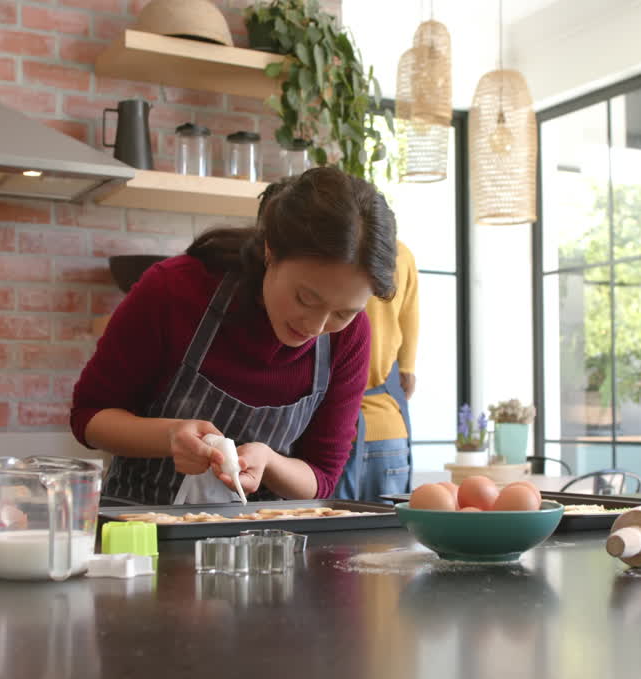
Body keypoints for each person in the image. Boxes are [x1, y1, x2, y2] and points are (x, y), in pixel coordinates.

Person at [70, 167, 398, 504]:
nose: (316, 327)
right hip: (140, 536)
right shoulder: (175, 290)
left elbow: (323, 477)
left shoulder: (351, 338)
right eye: (306, 298)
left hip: (265, 547)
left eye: (343, 313)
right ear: (271, 250)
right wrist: (169, 435)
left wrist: (269, 462)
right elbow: (89, 416)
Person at [334, 240, 419, 502]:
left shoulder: (327, 250)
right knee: (389, 541)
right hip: (389, 429)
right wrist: (405, 368)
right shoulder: (401, 253)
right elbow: (410, 321)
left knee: (330, 541)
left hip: (332, 430)